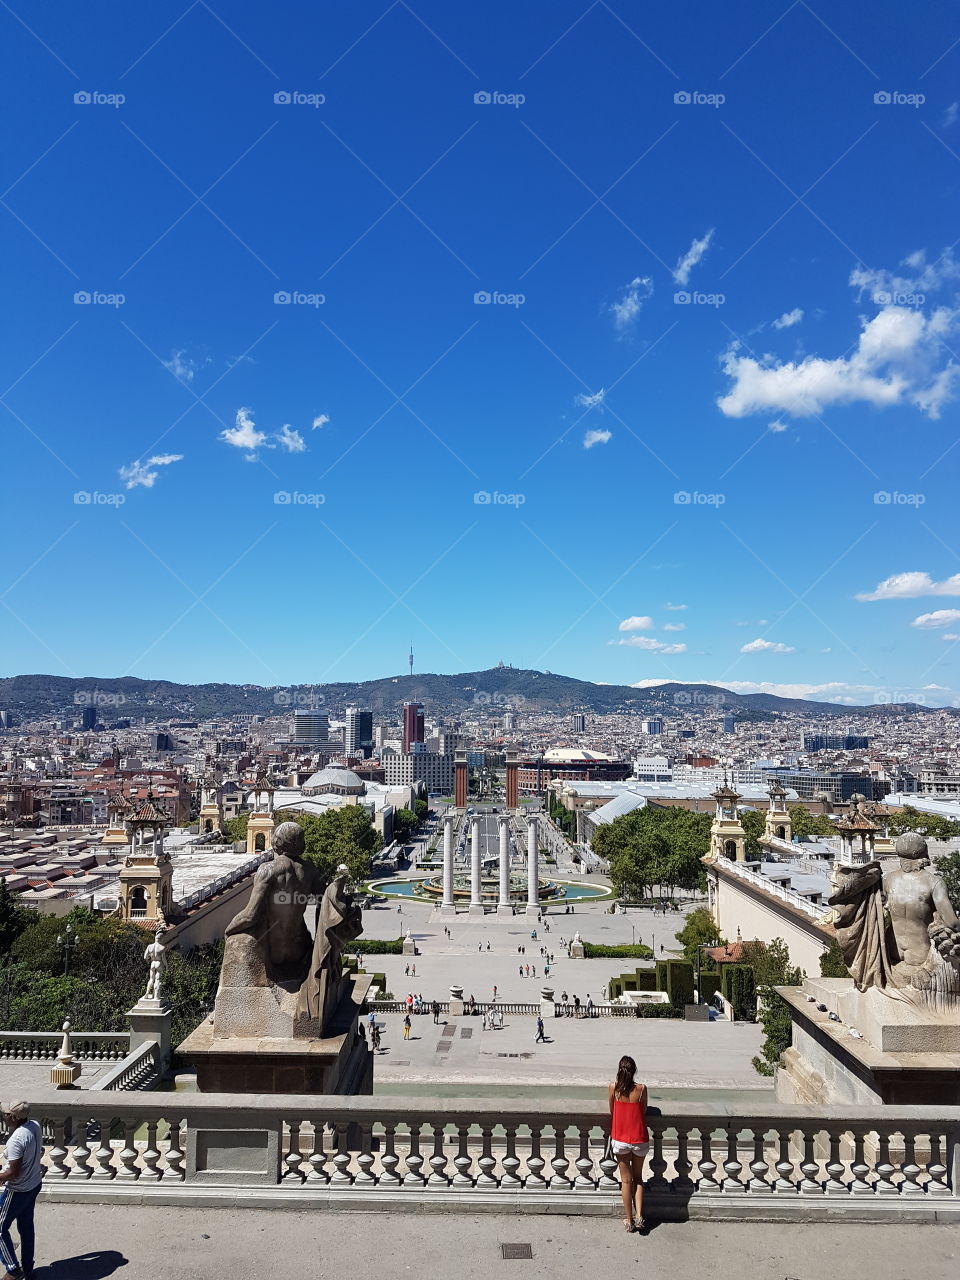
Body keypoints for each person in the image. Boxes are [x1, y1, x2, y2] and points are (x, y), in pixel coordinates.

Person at [0, 1098, 43, 1280]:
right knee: (26, 1227)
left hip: (18, 1190)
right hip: (33, 1185)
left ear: (13, 1117)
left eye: (5, 1114)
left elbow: (13, 1172)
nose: (3, 1117)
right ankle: (28, 1268)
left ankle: (13, 1270)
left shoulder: (16, 1139)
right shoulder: (35, 1125)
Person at [608, 1056, 649, 1233]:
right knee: (638, 1178)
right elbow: (644, 1110)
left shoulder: (614, 1089)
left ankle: (629, 1220)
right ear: (634, 1072)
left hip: (621, 1139)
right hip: (639, 1138)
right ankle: (640, 1216)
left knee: (626, 1181)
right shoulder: (641, 1089)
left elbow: (612, 1110)